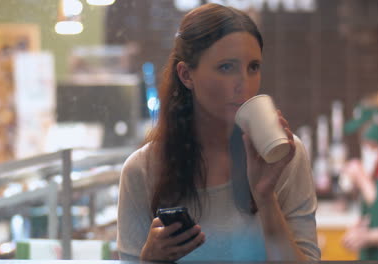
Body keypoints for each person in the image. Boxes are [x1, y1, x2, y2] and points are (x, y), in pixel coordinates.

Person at [116, 3, 320, 262]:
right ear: (186, 74)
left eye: (253, 67)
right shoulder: (143, 170)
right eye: (226, 67)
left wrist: (265, 197)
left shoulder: (283, 156)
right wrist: (149, 259)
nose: (244, 84)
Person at [343, 111, 378, 260]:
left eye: (371, 145)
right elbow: (372, 217)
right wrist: (359, 229)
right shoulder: (373, 174)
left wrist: (369, 237)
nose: (367, 150)